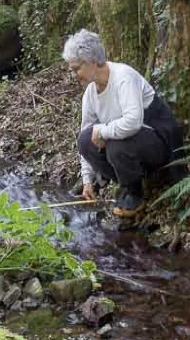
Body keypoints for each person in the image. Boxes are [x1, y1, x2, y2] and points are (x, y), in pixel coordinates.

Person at [63, 29, 183, 217]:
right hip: (131, 145)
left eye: (76, 68)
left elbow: (133, 122)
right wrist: (87, 179)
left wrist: (102, 131)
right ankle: (126, 181)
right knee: (84, 140)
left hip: (159, 142)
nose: (74, 74)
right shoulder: (90, 93)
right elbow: (86, 135)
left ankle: (134, 194)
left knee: (115, 145)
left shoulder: (123, 77)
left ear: (93, 62)